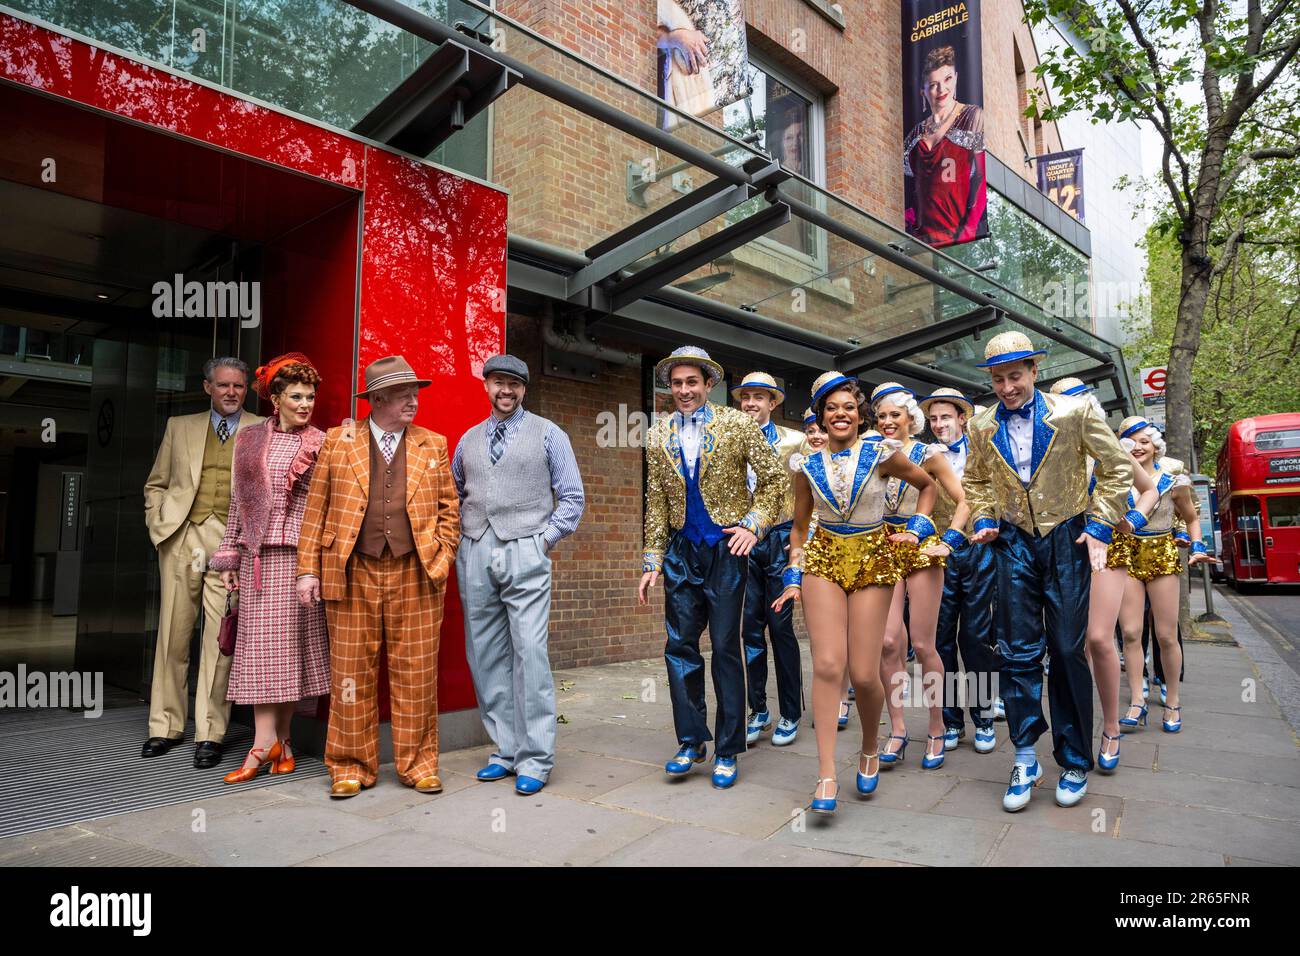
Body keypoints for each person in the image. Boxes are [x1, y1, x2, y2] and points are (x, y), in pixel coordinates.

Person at [963, 332, 1132, 811]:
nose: (1007, 387)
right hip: (1012, 541)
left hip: (1066, 538)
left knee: (1065, 649)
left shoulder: (1074, 412)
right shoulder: (980, 425)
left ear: (1035, 371)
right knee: (1016, 652)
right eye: (998, 378)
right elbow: (974, 480)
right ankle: (1023, 756)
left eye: (1015, 376)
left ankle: (1075, 757)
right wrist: (984, 518)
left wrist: (1099, 523)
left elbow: (1116, 467)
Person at [772, 373, 938, 815]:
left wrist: (919, 529)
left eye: (847, 407)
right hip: (823, 560)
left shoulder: (881, 452)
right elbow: (801, 527)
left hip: (872, 560)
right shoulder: (804, 463)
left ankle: (869, 744)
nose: (839, 414)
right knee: (828, 664)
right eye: (831, 408)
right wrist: (793, 572)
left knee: (865, 675)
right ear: (821, 417)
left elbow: (927, 486)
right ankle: (826, 773)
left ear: (858, 414)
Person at [296, 356, 460, 798]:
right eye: (404, 393)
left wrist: (441, 559)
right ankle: (350, 765)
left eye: (415, 392)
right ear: (378, 398)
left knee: (418, 673)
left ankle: (418, 763)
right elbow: (316, 512)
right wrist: (309, 570)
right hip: (352, 571)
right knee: (351, 675)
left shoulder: (434, 444)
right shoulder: (338, 442)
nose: (413, 400)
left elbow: (450, 512)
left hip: (417, 571)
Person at [637, 346, 786, 789]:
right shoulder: (656, 433)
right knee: (679, 645)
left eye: (692, 383)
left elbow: (776, 480)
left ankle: (727, 748)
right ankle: (689, 741)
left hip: (726, 550)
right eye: (677, 383)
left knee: (724, 647)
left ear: (707, 385)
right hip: (683, 552)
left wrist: (755, 527)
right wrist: (652, 559)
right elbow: (657, 502)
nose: (684, 390)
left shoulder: (738, 424)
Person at [452, 355, 585, 796]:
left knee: (529, 651)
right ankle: (505, 750)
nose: (505, 391)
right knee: (484, 652)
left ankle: (536, 757)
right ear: (486, 386)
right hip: (475, 547)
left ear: (524, 390)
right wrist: (462, 542)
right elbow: (455, 493)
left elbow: (572, 498)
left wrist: (542, 540)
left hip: (526, 546)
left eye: (514, 384)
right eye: (497, 383)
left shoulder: (549, 434)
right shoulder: (468, 440)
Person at [209, 354, 329, 783]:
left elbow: (327, 509)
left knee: (286, 657)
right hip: (258, 560)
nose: (305, 403)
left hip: (301, 562)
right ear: (275, 398)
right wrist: (228, 557)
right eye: (295, 396)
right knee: (263, 657)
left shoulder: (322, 442)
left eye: (310, 396)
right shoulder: (251, 439)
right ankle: (271, 744)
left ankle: (276, 744)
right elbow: (237, 505)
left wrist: (316, 565)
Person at [142, 357, 263, 768]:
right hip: (181, 536)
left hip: (232, 545)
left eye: (240, 386)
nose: (232, 392)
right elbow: (156, 482)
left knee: (219, 639)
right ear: (207, 387)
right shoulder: (180, 426)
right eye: (224, 385)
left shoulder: (262, 429)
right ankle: (165, 725)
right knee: (173, 635)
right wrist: (158, 521)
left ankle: (210, 732)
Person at [1049, 378, 1157, 773]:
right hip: (1064, 552)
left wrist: (1133, 518)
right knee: (1068, 646)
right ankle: (1079, 730)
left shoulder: (1112, 451)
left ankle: (1111, 727)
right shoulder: (1053, 452)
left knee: (1098, 637)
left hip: (1108, 548)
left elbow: (1150, 491)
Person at [872, 383, 967, 771]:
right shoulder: (872, 454)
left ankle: (936, 725)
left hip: (922, 550)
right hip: (882, 548)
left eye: (895, 415)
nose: (888, 422)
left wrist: (948, 540)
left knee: (926, 644)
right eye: (881, 416)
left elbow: (964, 499)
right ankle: (897, 728)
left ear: (911, 419)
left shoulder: (929, 454)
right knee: (889, 640)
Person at [1114, 417, 1211, 735]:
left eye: (1144, 441)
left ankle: (1173, 700)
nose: (1138, 447)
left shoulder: (1174, 479)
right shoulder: (1114, 479)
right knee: (1130, 632)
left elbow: (1191, 517)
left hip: (1162, 557)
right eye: (1130, 442)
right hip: (1127, 557)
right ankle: (1138, 702)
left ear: (1156, 444)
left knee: (1167, 635)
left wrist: (1196, 544)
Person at [921, 387, 998, 755]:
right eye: (933, 419)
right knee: (939, 639)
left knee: (976, 637)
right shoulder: (924, 456)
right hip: (936, 554)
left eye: (945, 417)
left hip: (978, 551)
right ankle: (950, 721)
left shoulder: (984, 449)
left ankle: (983, 715)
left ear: (962, 418)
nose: (939, 425)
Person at [734, 372, 805, 748]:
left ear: (773, 403)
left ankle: (791, 712)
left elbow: (810, 491)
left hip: (780, 537)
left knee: (780, 629)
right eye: (746, 397)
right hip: (741, 542)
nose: (750, 404)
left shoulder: (796, 441)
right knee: (748, 630)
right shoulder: (730, 439)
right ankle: (758, 709)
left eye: (759, 397)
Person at [903, 45, 988, 247]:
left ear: (956, 78)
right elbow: (910, 191)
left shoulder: (972, 116)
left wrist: (969, 229)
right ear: (923, 91)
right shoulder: (914, 135)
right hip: (921, 243)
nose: (942, 89)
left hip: (958, 240)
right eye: (933, 84)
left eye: (947, 79)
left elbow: (982, 177)